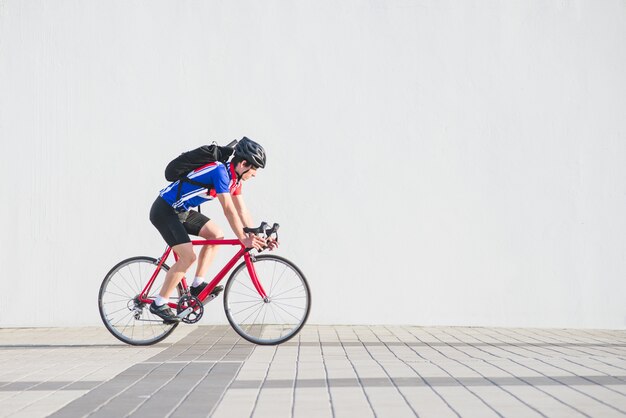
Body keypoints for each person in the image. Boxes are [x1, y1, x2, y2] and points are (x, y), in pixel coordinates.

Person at [148, 137, 277, 323]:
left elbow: (242, 210)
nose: (255, 174)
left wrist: (257, 237)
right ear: (243, 164)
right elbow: (228, 209)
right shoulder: (220, 171)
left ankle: (197, 285)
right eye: (254, 169)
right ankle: (159, 303)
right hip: (165, 210)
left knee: (216, 235)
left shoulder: (234, 180)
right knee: (188, 257)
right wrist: (242, 238)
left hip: (181, 212)